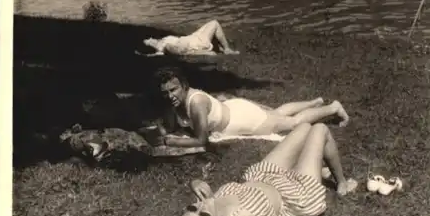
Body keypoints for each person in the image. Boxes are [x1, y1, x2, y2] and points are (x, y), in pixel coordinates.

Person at [168, 123, 370, 216]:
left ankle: (316, 165)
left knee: (304, 128)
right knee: (319, 129)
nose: (201, 207)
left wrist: (195, 182)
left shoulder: (207, 204)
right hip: (296, 193)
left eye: (192, 208)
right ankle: (341, 182)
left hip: (264, 175)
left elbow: (206, 203)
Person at [148, 66, 350, 149]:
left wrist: (169, 141)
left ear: (184, 86)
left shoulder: (196, 103)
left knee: (291, 123)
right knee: (277, 113)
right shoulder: (172, 101)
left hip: (242, 120)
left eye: (173, 90)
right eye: (165, 92)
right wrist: (165, 129)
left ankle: (333, 108)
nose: (170, 95)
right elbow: (171, 124)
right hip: (233, 110)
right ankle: (313, 102)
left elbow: (202, 141)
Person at [143, 20, 240, 56]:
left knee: (211, 24)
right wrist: (205, 53)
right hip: (195, 43)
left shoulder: (162, 43)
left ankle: (220, 48)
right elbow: (185, 52)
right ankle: (227, 50)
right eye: (148, 40)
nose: (151, 38)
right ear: (150, 45)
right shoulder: (164, 48)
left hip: (192, 37)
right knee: (214, 23)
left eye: (149, 38)